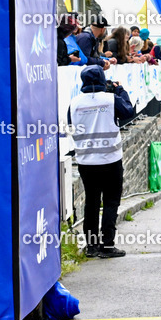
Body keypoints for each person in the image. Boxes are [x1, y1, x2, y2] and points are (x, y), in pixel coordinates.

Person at [69, 66, 136, 258]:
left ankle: (91, 247)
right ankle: (107, 246)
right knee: (110, 202)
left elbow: (71, 124)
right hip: (110, 159)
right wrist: (120, 91)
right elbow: (128, 112)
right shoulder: (110, 99)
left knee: (91, 202)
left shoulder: (74, 103)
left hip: (86, 161)